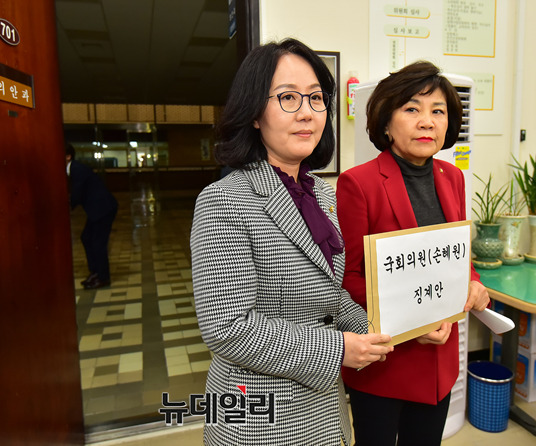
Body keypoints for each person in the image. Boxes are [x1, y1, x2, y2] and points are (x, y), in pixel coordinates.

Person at [190, 38, 393, 446]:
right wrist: (336, 350)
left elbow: (329, 295)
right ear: (253, 115)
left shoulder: (320, 192)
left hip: (323, 408)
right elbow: (227, 328)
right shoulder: (224, 200)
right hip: (260, 416)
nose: (306, 113)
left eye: (316, 98)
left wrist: (383, 329)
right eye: (287, 97)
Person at [336, 61, 490, 446]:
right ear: (386, 122)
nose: (427, 122)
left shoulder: (451, 177)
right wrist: (411, 324)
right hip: (387, 362)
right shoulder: (359, 183)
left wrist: (473, 283)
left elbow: (456, 255)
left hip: (440, 362)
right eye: (412, 109)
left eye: (438, 111)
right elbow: (349, 277)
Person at [66, 144, 118, 289]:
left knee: (97, 243)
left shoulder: (76, 169)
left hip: (103, 209)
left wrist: (67, 207)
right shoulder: (73, 169)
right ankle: (95, 271)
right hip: (97, 210)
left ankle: (103, 277)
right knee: (86, 238)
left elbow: (76, 194)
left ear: (68, 156)